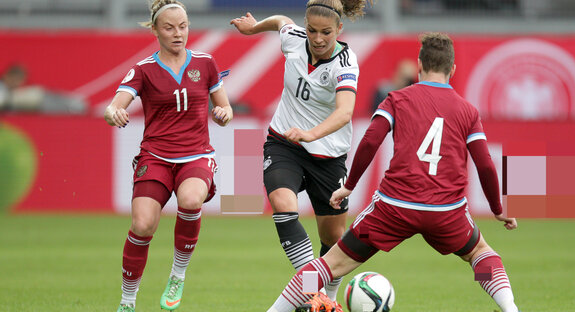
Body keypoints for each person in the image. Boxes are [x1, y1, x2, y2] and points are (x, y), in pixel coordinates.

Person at [266, 32, 520, 312]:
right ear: (453, 69)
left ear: (420, 65)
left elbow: (371, 140)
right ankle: (510, 308)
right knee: (480, 255)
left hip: (395, 207)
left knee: (328, 266)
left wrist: (349, 186)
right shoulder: (468, 111)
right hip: (446, 211)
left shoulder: (397, 99)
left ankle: (276, 311)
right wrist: (497, 207)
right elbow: (484, 163)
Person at [230, 0, 373, 306]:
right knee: (283, 204)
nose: (318, 39)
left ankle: (327, 300)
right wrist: (254, 28)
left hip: (328, 157)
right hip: (285, 143)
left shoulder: (346, 63)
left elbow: (345, 112)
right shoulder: (294, 38)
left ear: (339, 30)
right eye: (312, 30)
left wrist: (311, 133)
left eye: (326, 32)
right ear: (304, 27)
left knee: (333, 239)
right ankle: (313, 292)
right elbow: (281, 20)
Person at [104, 1, 233, 311]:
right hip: (156, 156)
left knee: (190, 201)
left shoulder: (205, 63)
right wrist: (115, 113)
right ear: (155, 31)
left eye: (183, 26)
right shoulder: (144, 69)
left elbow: (225, 107)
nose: (178, 33)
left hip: (196, 155)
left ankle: (177, 275)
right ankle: (127, 301)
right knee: (143, 225)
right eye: (169, 28)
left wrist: (223, 113)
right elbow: (113, 106)